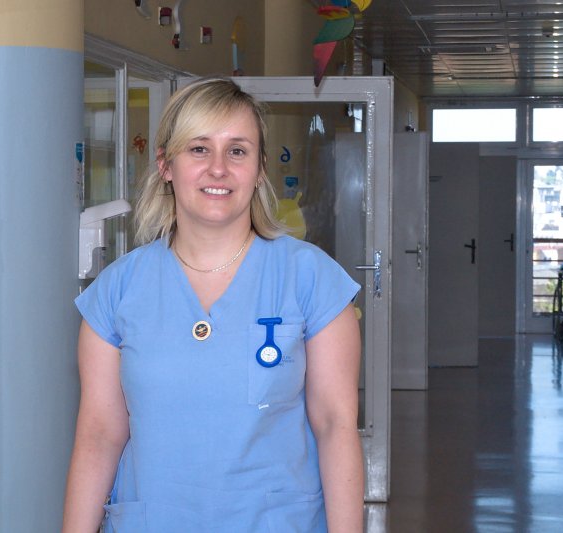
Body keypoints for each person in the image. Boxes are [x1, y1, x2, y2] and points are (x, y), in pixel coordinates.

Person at [63, 77, 364, 532]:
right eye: (199, 149)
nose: (218, 168)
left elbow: (336, 426)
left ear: (260, 169)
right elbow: (99, 434)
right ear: (166, 165)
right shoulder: (118, 290)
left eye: (237, 151)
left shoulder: (311, 279)